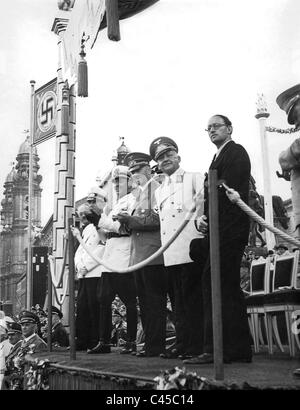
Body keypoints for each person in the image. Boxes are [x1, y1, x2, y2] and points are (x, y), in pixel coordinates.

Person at [185, 114, 252, 364]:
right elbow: (212, 193)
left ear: (230, 128)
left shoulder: (236, 152)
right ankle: (236, 349)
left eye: (217, 126)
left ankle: (217, 349)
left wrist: (213, 220)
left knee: (216, 284)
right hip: (218, 229)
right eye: (209, 128)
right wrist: (203, 219)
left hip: (229, 230)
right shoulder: (217, 157)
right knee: (226, 288)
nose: (212, 130)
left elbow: (226, 190)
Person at [149, 137, 205, 360]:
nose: (165, 160)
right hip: (171, 252)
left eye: (169, 155)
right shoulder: (159, 190)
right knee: (178, 303)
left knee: (193, 301)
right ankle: (182, 342)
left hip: (190, 247)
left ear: (178, 156)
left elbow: (203, 204)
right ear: (158, 164)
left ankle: (197, 345)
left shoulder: (193, 177)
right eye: (161, 158)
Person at [114, 151, 168, 357]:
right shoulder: (139, 195)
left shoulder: (155, 189)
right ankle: (150, 345)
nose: (134, 174)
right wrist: (126, 222)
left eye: (137, 170)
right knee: (145, 304)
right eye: (131, 171)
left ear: (147, 169)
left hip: (154, 255)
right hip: (140, 256)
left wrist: (130, 221)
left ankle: (156, 346)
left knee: (154, 303)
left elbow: (156, 220)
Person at [88, 165, 138, 355]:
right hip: (110, 255)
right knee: (104, 300)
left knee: (129, 300)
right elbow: (105, 235)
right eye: (115, 180)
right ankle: (104, 341)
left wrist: (100, 219)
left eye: (121, 180)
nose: (117, 184)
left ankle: (132, 340)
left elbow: (124, 228)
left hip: (123, 254)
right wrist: (97, 223)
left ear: (130, 181)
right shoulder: (115, 205)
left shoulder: (133, 200)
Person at [74, 203, 105, 351]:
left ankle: (94, 340)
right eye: (79, 214)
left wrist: (87, 266)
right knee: (82, 308)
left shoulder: (98, 226)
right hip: (83, 274)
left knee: (94, 308)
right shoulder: (85, 230)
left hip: (94, 272)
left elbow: (102, 247)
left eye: (84, 214)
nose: (82, 217)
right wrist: (80, 266)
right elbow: (80, 251)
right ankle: (82, 339)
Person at [3, 311, 46, 390]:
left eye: (27, 325)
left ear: (35, 327)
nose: (24, 327)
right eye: (22, 325)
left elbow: (38, 371)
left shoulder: (39, 344)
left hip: (28, 384)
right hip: (15, 384)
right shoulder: (22, 343)